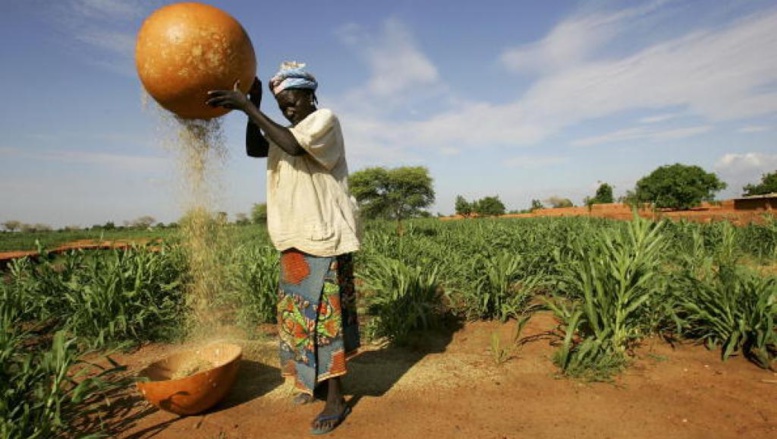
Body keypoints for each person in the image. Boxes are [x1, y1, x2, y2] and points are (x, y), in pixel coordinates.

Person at [206, 61, 361, 435]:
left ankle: (336, 399)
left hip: (323, 237)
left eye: (292, 102)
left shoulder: (324, 121)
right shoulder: (286, 130)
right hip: (293, 236)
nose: (288, 110)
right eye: (282, 106)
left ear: (309, 95)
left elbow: (292, 145)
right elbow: (254, 148)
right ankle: (313, 383)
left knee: (326, 323)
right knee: (300, 320)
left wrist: (247, 106)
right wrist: (253, 105)